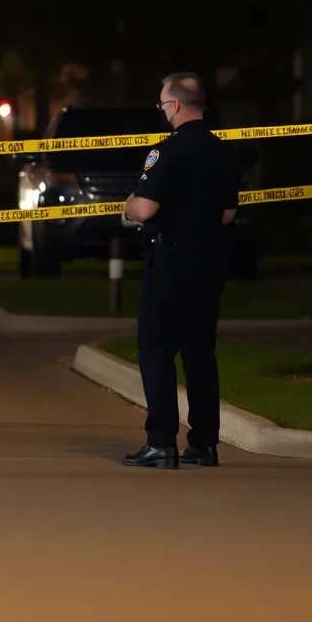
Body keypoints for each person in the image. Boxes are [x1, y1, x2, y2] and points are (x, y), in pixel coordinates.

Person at [120, 72, 242, 469]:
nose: (162, 111)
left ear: (174, 105)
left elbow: (145, 208)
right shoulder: (224, 152)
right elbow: (227, 214)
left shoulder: (166, 152)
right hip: (209, 262)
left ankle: (160, 443)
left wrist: (129, 204)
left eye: (162, 104)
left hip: (170, 260)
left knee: (156, 349)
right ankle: (204, 444)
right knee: (200, 353)